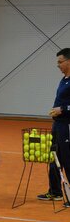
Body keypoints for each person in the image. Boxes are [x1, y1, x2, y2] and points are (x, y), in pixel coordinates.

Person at [37, 48, 70, 207]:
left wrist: (62, 109)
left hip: (67, 127)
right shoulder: (64, 79)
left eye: (60, 62)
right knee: (54, 159)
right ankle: (55, 192)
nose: (58, 65)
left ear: (69, 61)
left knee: (67, 160)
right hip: (57, 125)